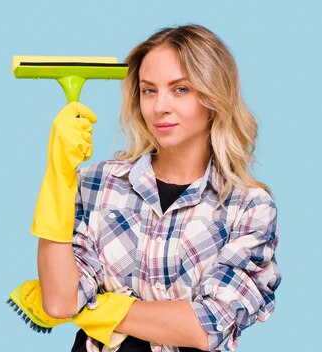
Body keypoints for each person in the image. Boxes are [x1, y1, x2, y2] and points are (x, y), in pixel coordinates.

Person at [26, 24, 281, 352]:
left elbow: (210, 325)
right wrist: (58, 176)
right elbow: (61, 303)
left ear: (214, 94)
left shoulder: (247, 207)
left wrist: (103, 308)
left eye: (181, 89)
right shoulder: (98, 185)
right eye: (149, 90)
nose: (160, 106)